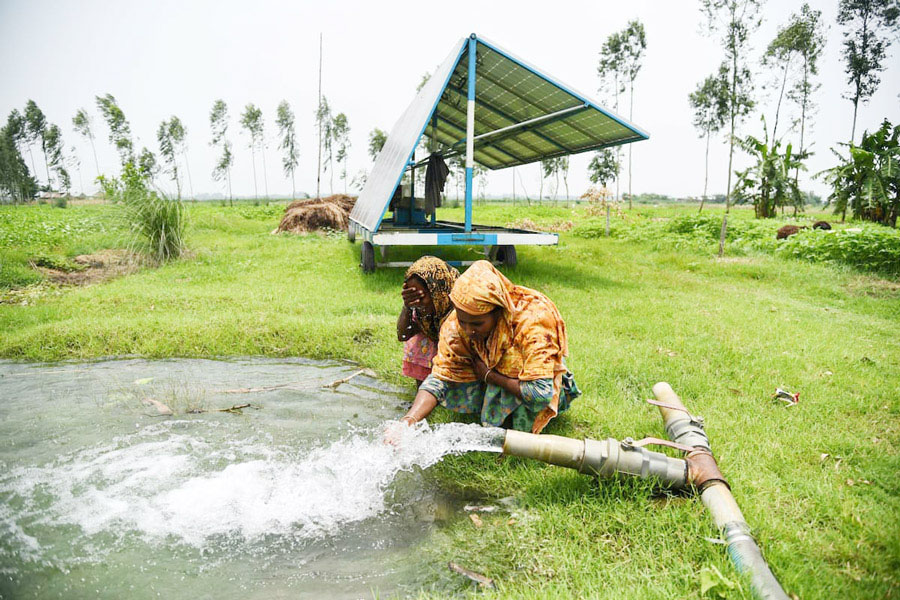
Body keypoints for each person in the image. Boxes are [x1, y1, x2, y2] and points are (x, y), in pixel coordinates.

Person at [397, 260, 580, 434]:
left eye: (477, 324)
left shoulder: (534, 320)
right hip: (490, 375)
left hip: (533, 386)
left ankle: (516, 420)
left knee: (518, 413)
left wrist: (490, 376)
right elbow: (439, 378)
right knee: (454, 377)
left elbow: (540, 393)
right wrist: (409, 421)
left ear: (498, 312)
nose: (469, 330)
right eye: (463, 321)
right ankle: (489, 406)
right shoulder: (455, 325)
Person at [397, 256, 460, 384]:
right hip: (429, 360)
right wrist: (407, 307)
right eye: (412, 296)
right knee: (420, 343)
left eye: (421, 296)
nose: (417, 302)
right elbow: (402, 334)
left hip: (457, 365)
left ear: (437, 291)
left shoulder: (460, 308)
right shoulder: (419, 310)